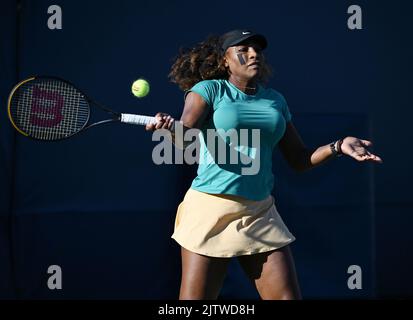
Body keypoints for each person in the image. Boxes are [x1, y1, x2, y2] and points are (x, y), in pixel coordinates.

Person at [145, 29, 383, 300]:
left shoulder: (275, 100)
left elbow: (299, 159)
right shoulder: (208, 90)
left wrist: (338, 146)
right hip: (209, 209)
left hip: (259, 211)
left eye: (257, 49)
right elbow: (186, 133)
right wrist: (170, 128)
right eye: (243, 50)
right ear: (225, 60)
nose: (254, 54)